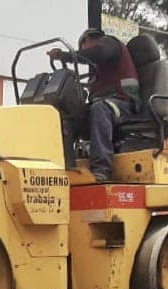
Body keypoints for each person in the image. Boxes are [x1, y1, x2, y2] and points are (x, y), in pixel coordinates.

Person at [48, 28, 139, 183]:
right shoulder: (99, 70)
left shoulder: (111, 44)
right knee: (70, 118)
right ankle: (66, 166)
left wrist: (66, 56)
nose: (83, 52)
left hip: (125, 105)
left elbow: (98, 53)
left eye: (83, 48)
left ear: (86, 41)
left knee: (99, 108)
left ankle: (101, 169)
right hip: (108, 106)